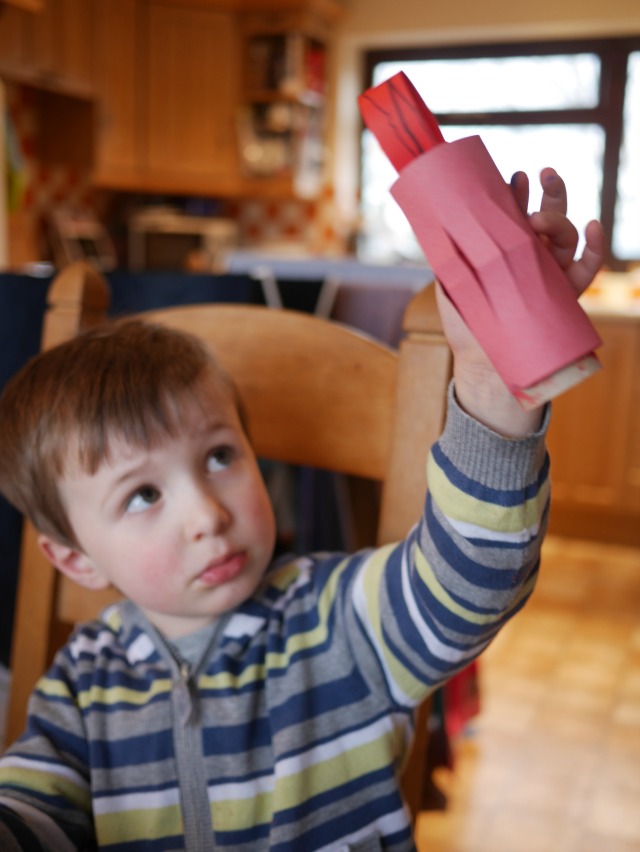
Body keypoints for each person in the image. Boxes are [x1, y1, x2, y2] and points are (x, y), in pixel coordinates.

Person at [0, 170, 604, 852]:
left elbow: (471, 579)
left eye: (220, 456)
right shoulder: (79, 684)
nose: (207, 513)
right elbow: (31, 820)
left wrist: (493, 388)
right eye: (143, 495)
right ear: (73, 557)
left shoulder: (340, 619)